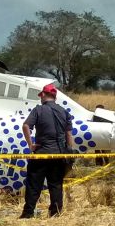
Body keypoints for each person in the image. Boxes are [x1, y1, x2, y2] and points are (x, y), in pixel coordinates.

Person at [19, 83, 74, 218]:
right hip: (59, 155)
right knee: (55, 185)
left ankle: (28, 213)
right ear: (54, 97)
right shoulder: (64, 111)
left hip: (42, 154)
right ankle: (55, 214)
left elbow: (26, 126)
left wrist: (31, 145)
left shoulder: (38, 110)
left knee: (33, 185)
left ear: (43, 95)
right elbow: (69, 135)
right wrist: (70, 153)